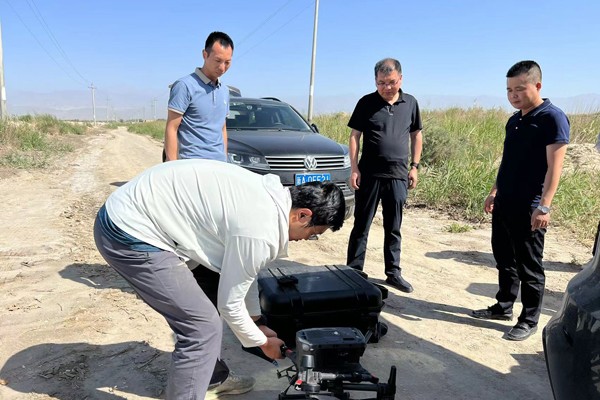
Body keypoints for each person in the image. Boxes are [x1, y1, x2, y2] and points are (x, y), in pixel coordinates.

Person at [93, 159, 346, 399]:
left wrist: (256, 321)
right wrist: (261, 342)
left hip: (142, 214)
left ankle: (210, 377)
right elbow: (230, 304)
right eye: (314, 233)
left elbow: (245, 271)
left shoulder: (271, 198)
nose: (307, 240)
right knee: (201, 328)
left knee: (209, 291)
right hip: (129, 233)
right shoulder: (261, 230)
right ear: (302, 215)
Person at [471, 60, 570, 341]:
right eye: (509, 90)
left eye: (519, 89)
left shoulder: (552, 118)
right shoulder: (514, 120)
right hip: (505, 201)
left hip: (530, 205)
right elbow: (508, 162)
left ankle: (529, 319)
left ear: (537, 85)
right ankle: (503, 306)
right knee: (504, 258)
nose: (513, 95)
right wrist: (494, 191)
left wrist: (544, 205)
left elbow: (555, 168)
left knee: (529, 266)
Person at [346, 58, 423, 293]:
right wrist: (354, 168)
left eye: (391, 82)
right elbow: (354, 136)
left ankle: (393, 272)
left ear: (400, 79)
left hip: (398, 175)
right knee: (362, 224)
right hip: (369, 175)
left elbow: (416, 135)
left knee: (394, 226)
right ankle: (354, 271)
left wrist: (414, 166)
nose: (386, 87)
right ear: (375, 81)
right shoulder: (366, 103)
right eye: (381, 83)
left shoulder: (410, 103)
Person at [164, 31, 234, 162]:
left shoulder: (224, 91)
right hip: (191, 165)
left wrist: (224, 160)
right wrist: (172, 166)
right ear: (205, 55)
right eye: (218, 61)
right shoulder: (184, 86)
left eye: (227, 62)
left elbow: (222, 128)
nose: (222, 68)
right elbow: (171, 128)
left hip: (219, 166)